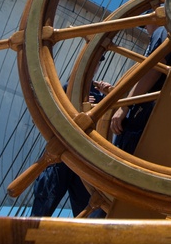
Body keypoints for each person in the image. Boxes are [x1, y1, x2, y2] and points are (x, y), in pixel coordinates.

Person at [31, 80, 112, 217]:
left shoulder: (100, 93)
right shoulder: (66, 89)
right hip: (64, 158)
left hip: (84, 161)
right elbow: (41, 116)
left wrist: (109, 95)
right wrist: (74, 107)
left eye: (99, 62)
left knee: (86, 214)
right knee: (44, 205)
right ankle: (28, 236)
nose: (97, 65)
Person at [110, 24, 171, 154]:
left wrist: (124, 106)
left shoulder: (161, 31)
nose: (145, 29)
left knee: (126, 152)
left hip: (146, 106)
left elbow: (152, 72)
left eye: (145, 25)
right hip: (164, 107)